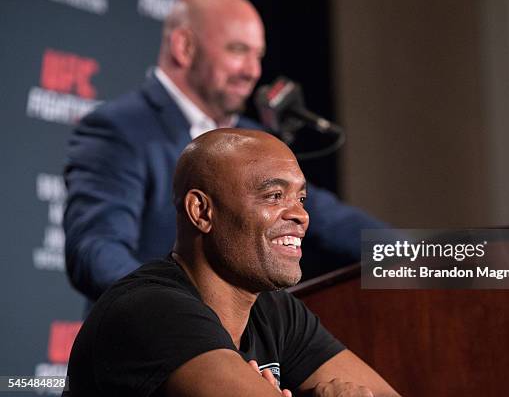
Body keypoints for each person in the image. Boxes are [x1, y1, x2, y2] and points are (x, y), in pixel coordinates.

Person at [63, 0, 385, 301]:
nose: (253, 71)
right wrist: (180, 312)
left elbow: (330, 218)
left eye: (258, 55)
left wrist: (423, 258)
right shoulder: (120, 128)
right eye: (237, 50)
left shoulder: (251, 138)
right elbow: (96, 250)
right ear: (184, 46)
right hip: (152, 344)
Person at [63, 129, 399, 397]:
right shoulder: (149, 309)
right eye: (274, 196)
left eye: (301, 198)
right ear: (202, 212)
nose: (300, 215)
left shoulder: (276, 311)